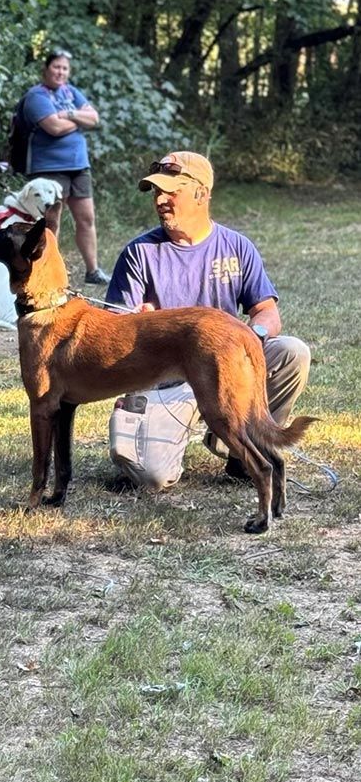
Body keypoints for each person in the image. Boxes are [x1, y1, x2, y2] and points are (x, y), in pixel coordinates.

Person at [106, 150, 311, 489]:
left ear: (201, 194)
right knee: (150, 477)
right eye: (157, 192)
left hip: (223, 372)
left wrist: (250, 337)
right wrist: (138, 327)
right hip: (163, 383)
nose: (161, 200)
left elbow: (267, 312)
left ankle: (243, 450)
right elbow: (111, 331)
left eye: (171, 191)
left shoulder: (237, 246)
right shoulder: (139, 254)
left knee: (291, 352)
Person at [21, 49, 108, 284]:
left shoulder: (71, 92)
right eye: (56, 67)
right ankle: (46, 274)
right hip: (48, 167)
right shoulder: (36, 96)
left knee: (86, 218)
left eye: (64, 68)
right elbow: (54, 128)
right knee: (51, 222)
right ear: (46, 69)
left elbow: (95, 119)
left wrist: (68, 113)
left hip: (78, 165)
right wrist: (80, 120)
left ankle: (93, 271)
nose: (60, 72)